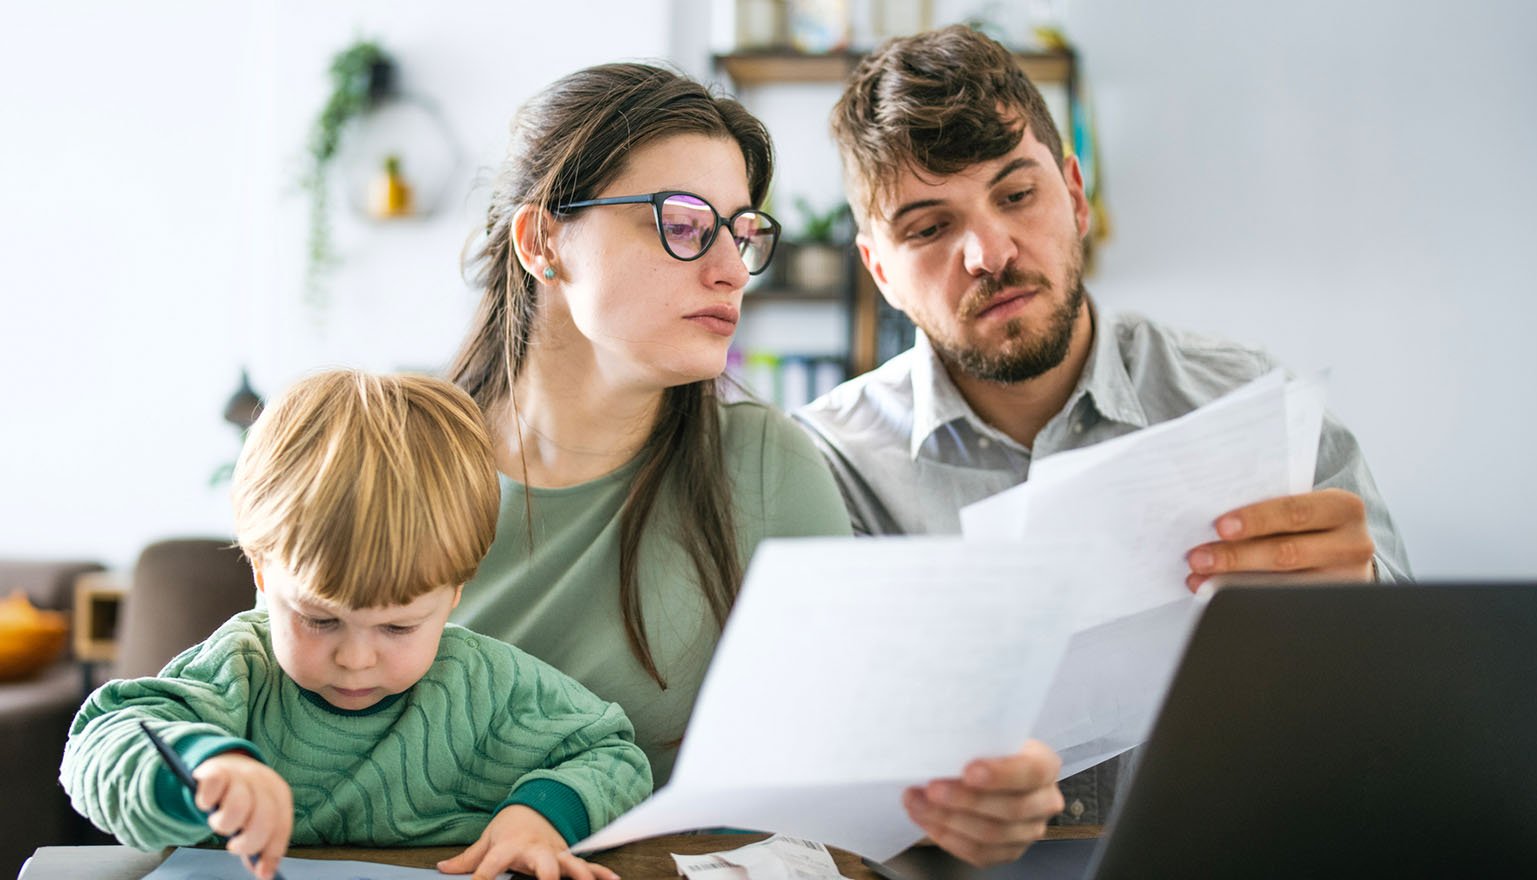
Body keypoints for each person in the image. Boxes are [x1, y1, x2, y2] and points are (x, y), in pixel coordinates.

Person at [793, 24, 1413, 862]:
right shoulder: (823, 463)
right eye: (930, 227)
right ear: (878, 271)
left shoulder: (1247, 401)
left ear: (1076, 196)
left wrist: (1366, 600)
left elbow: (1413, 699)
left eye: (1016, 196)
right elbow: (815, 744)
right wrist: (906, 795)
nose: (990, 254)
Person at [445, 62, 1066, 867]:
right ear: (542, 241)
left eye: (741, 232)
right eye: (683, 223)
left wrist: (955, 794)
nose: (733, 269)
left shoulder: (769, 466)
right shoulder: (380, 457)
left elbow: (837, 792)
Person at [60, 370, 652, 880]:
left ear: (454, 593)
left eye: (397, 628)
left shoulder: (485, 685)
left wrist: (540, 818)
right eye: (320, 620)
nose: (356, 658)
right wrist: (204, 770)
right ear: (263, 572)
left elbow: (612, 754)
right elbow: (99, 742)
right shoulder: (241, 668)